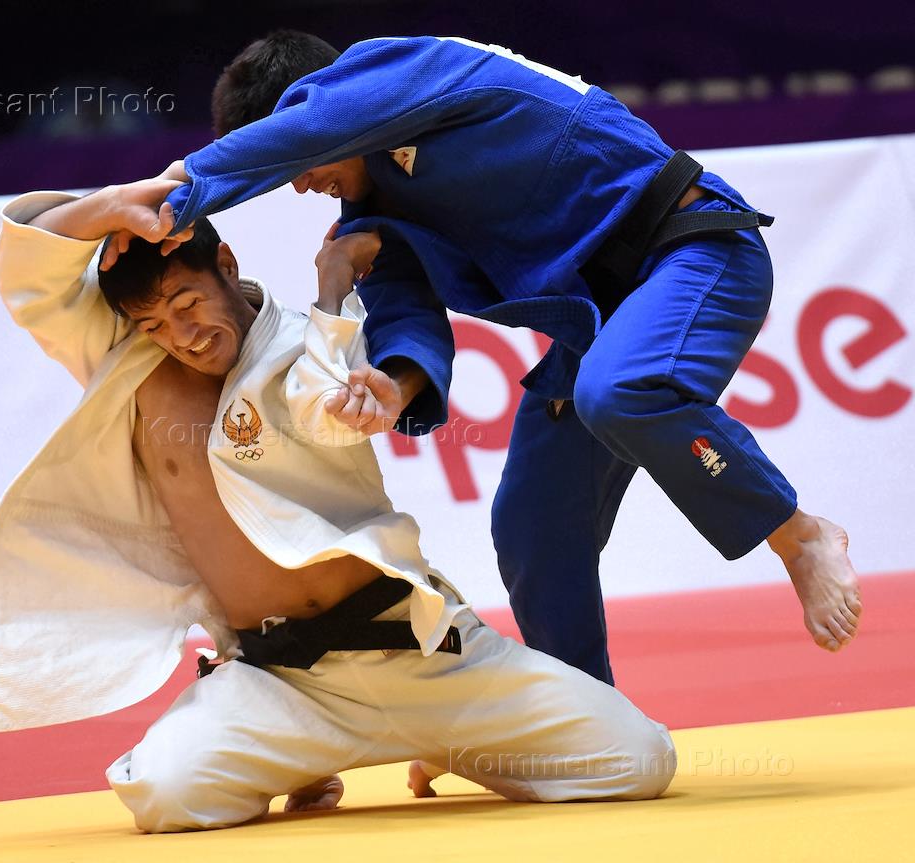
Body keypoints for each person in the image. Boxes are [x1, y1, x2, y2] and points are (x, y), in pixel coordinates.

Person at [104, 32, 862, 684]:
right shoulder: (368, 217)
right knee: (532, 524)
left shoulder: (409, 70)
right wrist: (397, 385)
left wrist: (175, 192)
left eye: (294, 161)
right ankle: (590, 720)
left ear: (316, 103)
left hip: (692, 249)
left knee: (619, 392)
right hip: (599, 327)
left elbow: (311, 124)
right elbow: (406, 315)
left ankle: (797, 532)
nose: (300, 184)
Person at [0, 179, 676, 833]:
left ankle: (453, 744)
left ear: (226, 265)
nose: (183, 336)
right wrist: (112, 206)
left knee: (638, 759)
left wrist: (333, 290)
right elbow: (28, 274)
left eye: (188, 305)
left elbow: (327, 414)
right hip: (280, 680)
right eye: (155, 325)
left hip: (415, 649)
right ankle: (304, 759)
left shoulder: (311, 336)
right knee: (165, 795)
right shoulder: (128, 365)